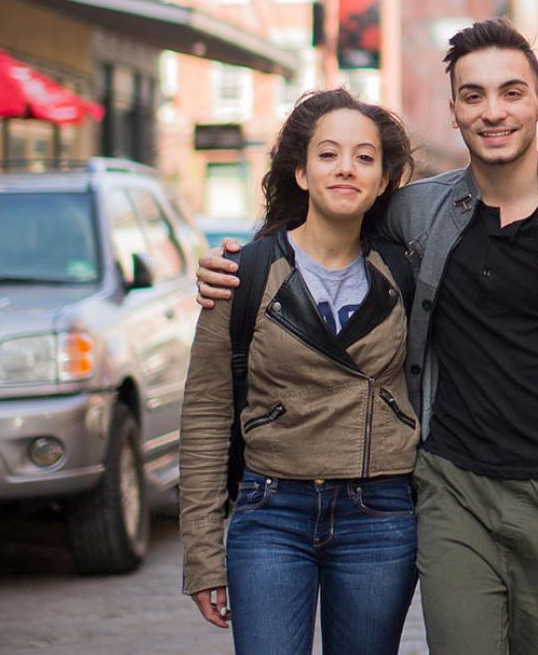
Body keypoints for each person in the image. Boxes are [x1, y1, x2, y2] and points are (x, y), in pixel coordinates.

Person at [196, 19, 538, 655]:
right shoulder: (416, 213)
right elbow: (327, 223)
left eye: (511, 92)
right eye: (473, 96)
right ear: (453, 112)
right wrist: (235, 262)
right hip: (454, 492)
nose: (493, 111)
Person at [179, 88, 420, 654]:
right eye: (328, 154)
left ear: (383, 181)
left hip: (379, 514)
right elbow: (207, 412)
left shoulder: (406, 274)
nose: (346, 168)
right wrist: (202, 553)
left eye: (365, 157)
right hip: (270, 512)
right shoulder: (242, 275)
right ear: (302, 172)